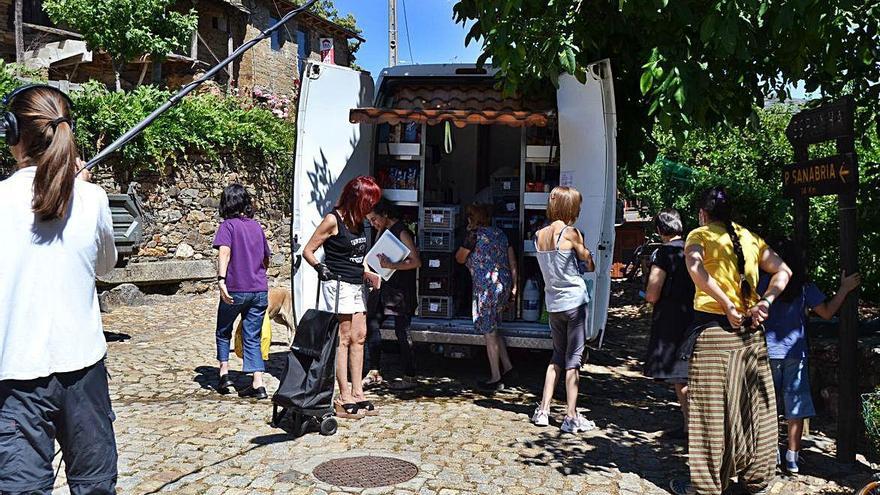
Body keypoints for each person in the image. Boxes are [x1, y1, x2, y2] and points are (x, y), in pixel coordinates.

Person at [0, 85, 118, 493]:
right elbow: (106, 266)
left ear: (11, 132)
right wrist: (79, 187)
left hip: (15, 377)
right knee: (95, 486)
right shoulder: (92, 197)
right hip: (83, 371)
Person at [669, 186, 791, 495]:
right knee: (756, 408)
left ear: (703, 213)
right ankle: (757, 479)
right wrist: (766, 302)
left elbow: (695, 269)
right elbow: (783, 271)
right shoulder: (749, 237)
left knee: (709, 412)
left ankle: (708, 487)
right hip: (752, 335)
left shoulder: (700, 235)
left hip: (714, 334)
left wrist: (726, 304)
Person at [759, 239, 860, 474]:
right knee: (796, 405)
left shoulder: (763, 283)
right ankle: (792, 457)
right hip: (796, 353)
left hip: (767, 352)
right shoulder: (804, 286)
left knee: (768, 406)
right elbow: (826, 312)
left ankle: (771, 453)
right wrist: (844, 289)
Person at [303, 176, 382, 417]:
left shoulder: (363, 223)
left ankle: (358, 391)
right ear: (357, 199)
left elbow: (361, 256)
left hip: (358, 285)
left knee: (360, 336)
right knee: (344, 338)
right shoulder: (333, 220)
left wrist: (369, 273)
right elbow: (308, 250)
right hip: (337, 285)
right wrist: (320, 267)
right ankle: (344, 393)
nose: (371, 208)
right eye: (369, 202)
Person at [530, 186, 597, 433]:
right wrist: (587, 255)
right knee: (574, 360)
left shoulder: (539, 235)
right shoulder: (571, 233)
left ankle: (544, 411)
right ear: (571, 208)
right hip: (575, 302)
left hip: (554, 303)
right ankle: (570, 416)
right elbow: (587, 262)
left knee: (556, 356)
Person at [213, 184, 272, 399]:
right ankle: (258, 383)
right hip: (258, 290)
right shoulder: (257, 227)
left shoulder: (227, 226)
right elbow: (266, 259)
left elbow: (224, 253)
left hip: (236, 289)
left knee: (223, 330)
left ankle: (224, 374)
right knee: (252, 336)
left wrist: (221, 280)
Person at [455, 204, 518, 391]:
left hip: (486, 288)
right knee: (494, 327)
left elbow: (459, 258)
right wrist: (515, 287)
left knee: (489, 333)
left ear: (471, 219)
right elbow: (512, 262)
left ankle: (495, 377)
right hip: (502, 285)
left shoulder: (473, 237)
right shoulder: (500, 234)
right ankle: (508, 368)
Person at [643, 208, 695, 438]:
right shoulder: (693, 249)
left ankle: (690, 427)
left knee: (680, 375)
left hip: (672, 317)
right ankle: (690, 426)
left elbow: (653, 292)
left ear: (659, 230)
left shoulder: (663, 254)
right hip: (697, 315)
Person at [364, 198, 421, 390]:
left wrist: (392, 265)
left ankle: (410, 375)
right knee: (371, 323)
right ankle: (374, 370)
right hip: (383, 288)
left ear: (385, 214)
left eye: (374, 219)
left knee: (401, 331)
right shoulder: (382, 231)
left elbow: (416, 261)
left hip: (400, 291)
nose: (373, 224)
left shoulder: (401, 231)